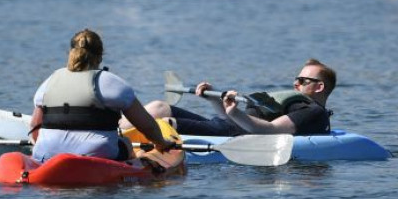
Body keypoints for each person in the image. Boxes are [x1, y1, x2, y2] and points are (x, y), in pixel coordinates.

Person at [28, 29, 177, 162]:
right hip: (96, 155)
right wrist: (161, 144)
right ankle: (138, 160)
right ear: (100, 57)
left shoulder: (49, 82)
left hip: (46, 154)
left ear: (70, 53)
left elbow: (34, 127)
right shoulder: (111, 82)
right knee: (126, 143)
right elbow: (148, 126)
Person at [141, 59, 336, 136]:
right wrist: (215, 100)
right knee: (159, 107)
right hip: (224, 125)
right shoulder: (295, 102)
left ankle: (124, 144)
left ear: (319, 87)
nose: (296, 84)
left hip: (232, 135)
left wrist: (233, 112)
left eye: (302, 80)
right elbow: (232, 119)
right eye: (296, 79)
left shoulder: (313, 112)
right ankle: (122, 133)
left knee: (166, 123)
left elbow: (269, 130)